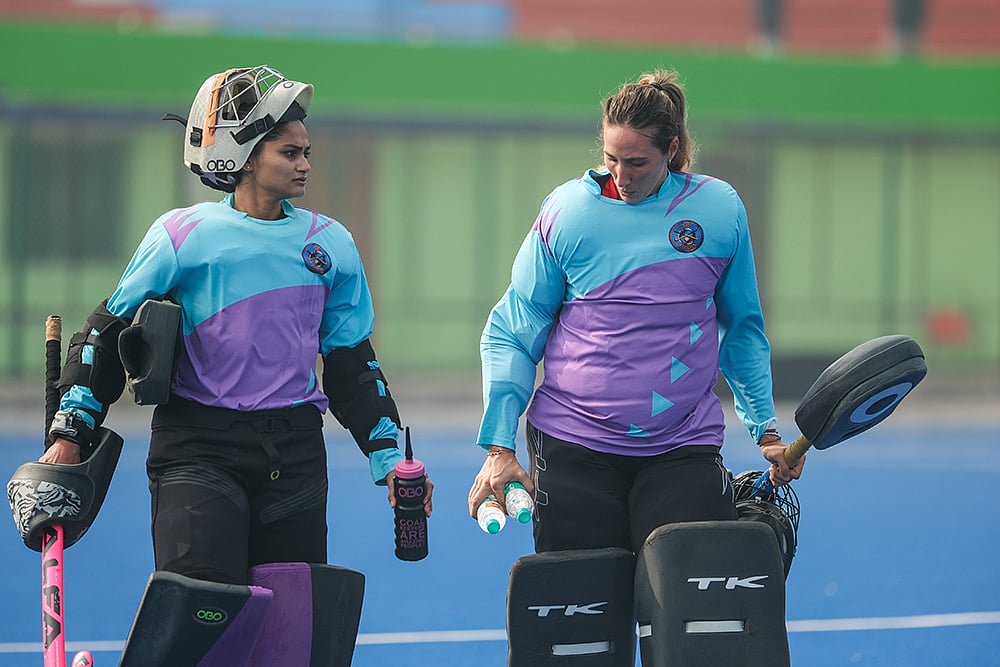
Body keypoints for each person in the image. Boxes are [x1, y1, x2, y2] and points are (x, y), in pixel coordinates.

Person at [40, 65, 432, 585]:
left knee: (289, 631)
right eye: (288, 153)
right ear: (244, 157)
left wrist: (388, 459)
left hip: (294, 453)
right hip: (197, 447)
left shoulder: (331, 243)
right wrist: (71, 431)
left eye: (306, 153)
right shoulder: (182, 234)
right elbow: (106, 333)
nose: (304, 165)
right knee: (202, 613)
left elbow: (351, 362)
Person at [467, 69, 803, 555]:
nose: (621, 176)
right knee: (584, 612)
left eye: (638, 162)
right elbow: (513, 332)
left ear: (671, 150)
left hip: (683, 446)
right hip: (572, 444)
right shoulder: (567, 213)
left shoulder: (718, 210)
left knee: (683, 609)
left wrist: (765, 429)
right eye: (611, 159)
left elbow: (742, 328)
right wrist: (499, 446)